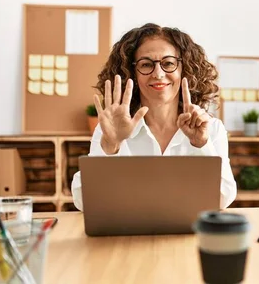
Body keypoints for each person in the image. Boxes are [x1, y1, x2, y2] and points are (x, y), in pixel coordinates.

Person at [71, 23, 237, 211]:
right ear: (131, 73)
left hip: (188, 237)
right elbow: (83, 201)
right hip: (128, 236)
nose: (158, 74)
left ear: (185, 69)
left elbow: (223, 199)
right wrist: (111, 147)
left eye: (168, 63)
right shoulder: (110, 129)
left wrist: (201, 145)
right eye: (146, 64)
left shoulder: (211, 129)